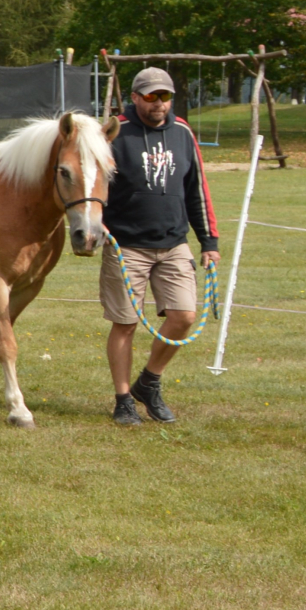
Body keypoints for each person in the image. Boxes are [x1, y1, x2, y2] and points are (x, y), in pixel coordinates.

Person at [102, 66, 220, 426]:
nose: (159, 104)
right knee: (125, 323)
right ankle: (124, 399)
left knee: (184, 317)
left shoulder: (183, 132)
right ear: (135, 97)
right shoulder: (114, 134)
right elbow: (93, 185)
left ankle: (148, 382)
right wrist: (97, 228)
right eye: (151, 96)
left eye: (164, 96)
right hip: (126, 246)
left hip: (174, 243)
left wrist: (209, 241)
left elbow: (196, 189)